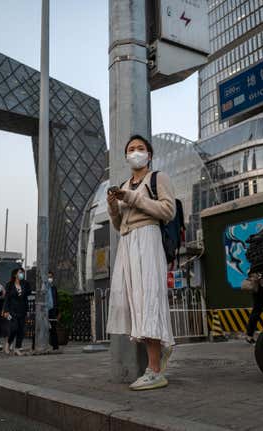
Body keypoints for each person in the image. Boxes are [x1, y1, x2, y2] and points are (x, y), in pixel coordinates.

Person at [106, 134, 176, 391]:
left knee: (148, 300)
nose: (136, 152)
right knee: (135, 303)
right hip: (127, 242)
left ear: (149, 154)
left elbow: (168, 211)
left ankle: (154, 370)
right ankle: (161, 352)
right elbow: (118, 224)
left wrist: (131, 197)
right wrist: (114, 206)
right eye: (131, 149)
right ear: (126, 156)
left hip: (148, 238)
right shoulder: (125, 183)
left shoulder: (158, 178)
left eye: (140, 148)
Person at [3, 268, 32, 355]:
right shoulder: (9, 284)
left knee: (21, 330)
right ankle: (8, 343)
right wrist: (6, 310)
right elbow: (7, 298)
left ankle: (17, 348)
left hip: (23, 309)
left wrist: (25, 286)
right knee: (14, 328)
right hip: (12, 310)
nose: (21, 274)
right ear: (15, 274)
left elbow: (29, 292)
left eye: (22, 273)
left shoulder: (25, 283)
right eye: (20, 273)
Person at [47, 271, 60, 351]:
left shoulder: (53, 288)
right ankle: (36, 345)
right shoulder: (43, 287)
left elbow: (56, 300)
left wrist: (58, 312)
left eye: (51, 277)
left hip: (52, 310)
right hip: (44, 311)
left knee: (53, 329)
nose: (50, 278)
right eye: (48, 277)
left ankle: (55, 346)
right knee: (41, 328)